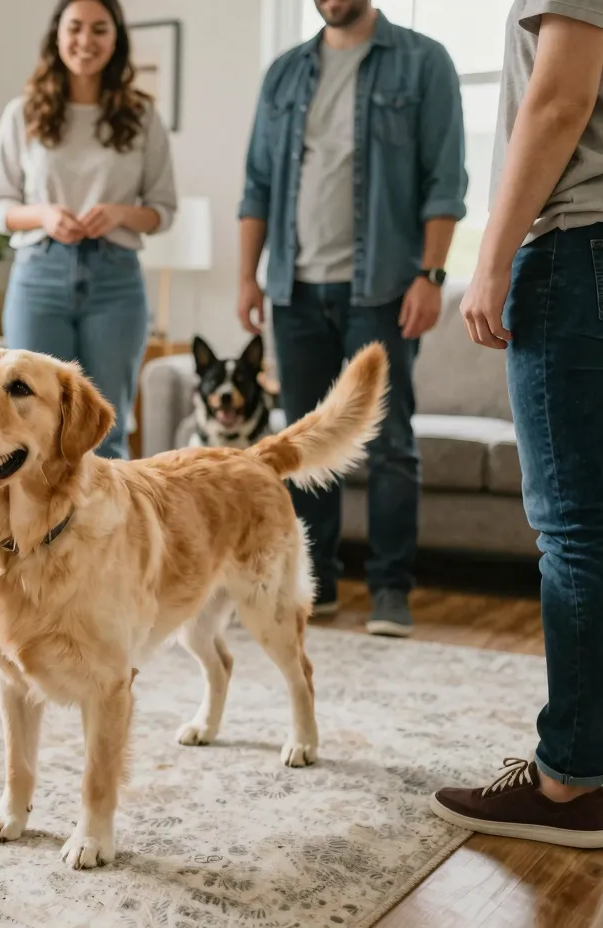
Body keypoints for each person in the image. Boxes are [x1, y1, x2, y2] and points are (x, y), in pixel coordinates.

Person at [236, 0, 467, 636]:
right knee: (304, 443)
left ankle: (391, 588)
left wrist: (433, 275)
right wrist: (246, 277)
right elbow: (256, 185)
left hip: (386, 290)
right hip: (294, 292)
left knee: (389, 443)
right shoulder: (284, 74)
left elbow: (444, 182)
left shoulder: (424, 64)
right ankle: (322, 579)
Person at [430, 2, 603, 847]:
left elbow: (559, 98)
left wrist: (490, 257)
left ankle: (570, 782)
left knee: (575, 531)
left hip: (578, 246)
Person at [0, 0, 179, 460]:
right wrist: (45, 215)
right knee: (27, 430)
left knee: (106, 429)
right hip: (39, 278)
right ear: (57, 35)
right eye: (74, 28)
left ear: (116, 39)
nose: (85, 41)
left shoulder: (142, 116)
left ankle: (110, 534)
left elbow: (162, 210)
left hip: (115, 280)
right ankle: (33, 535)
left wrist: (119, 214)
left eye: (98, 30)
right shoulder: (23, 113)